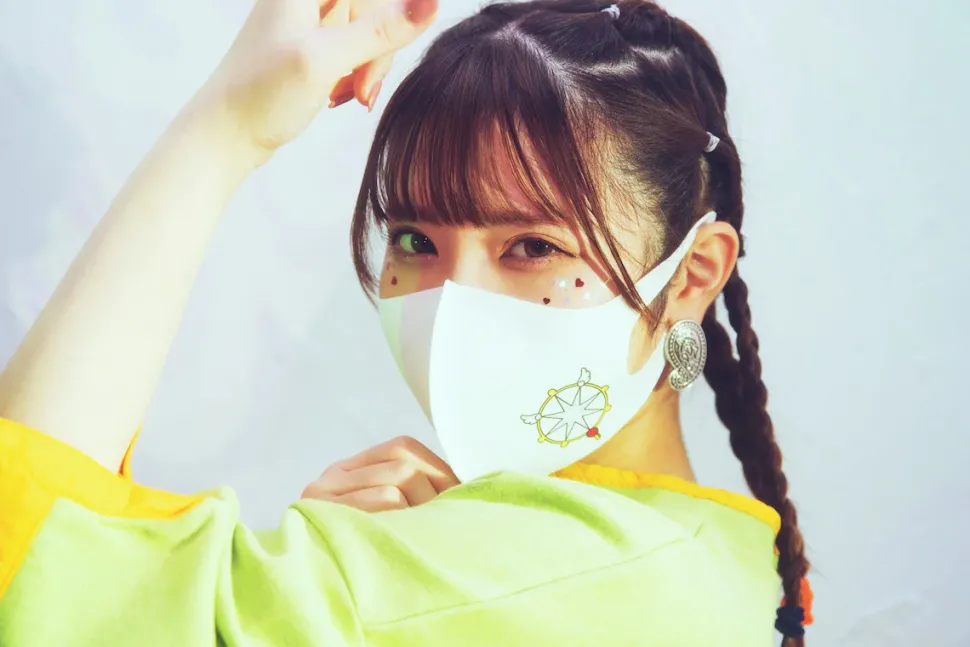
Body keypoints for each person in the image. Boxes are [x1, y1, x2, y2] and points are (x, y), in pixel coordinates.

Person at [0, 0, 814, 644]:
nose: (454, 300)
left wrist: (225, 129)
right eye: (416, 240)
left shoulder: (519, 574)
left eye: (533, 246)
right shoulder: (719, 553)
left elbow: (27, 563)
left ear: (691, 277)